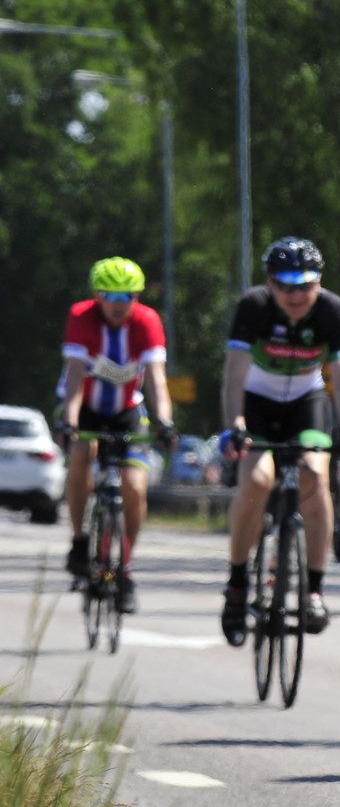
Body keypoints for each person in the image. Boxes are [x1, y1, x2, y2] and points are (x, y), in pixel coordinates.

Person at [218, 239, 340, 643]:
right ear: (270, 284)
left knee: (315, 475)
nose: (296, 295)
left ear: (319, 282)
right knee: (256, 481)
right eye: (285, 286)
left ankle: (314, 589)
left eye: (305, 286)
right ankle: (236, 585)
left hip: (306, 402)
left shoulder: (332, 310)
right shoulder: (253, 307)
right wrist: (236, 424)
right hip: (257, 404)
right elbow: (234, 375)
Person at [57, 257, 175, 612]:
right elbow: (74, 377)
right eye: (112, 296)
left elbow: (157, 380)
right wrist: (70, 423)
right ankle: (80, 540)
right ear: (98, 295)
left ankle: (124, 567)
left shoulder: (147, 320)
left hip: (127, 411)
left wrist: (165, 422)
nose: (121, 304)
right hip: (85, 408)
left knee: (134, 486)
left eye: (129, 296)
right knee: (82, 453)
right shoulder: (81, 316)